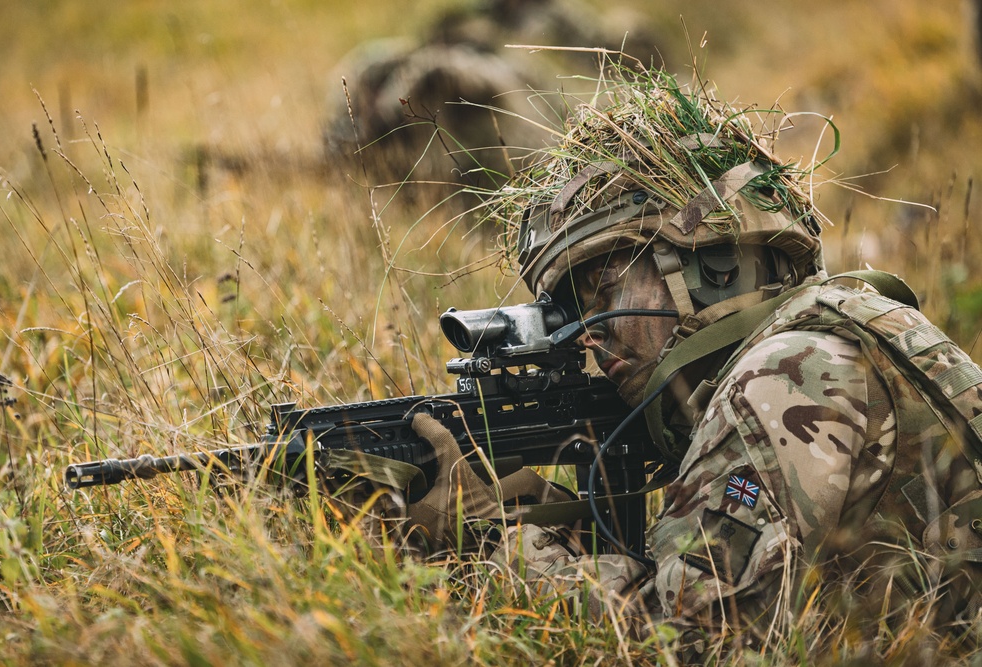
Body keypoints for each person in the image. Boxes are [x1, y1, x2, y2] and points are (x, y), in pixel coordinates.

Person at [403, 63, 982, 651]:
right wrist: (562, 528)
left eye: (604, 291)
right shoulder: (832, 331)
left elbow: (684, 644)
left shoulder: (785, 373)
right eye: (574, 311)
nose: (585, 337)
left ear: (707, 267)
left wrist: (492, 541)